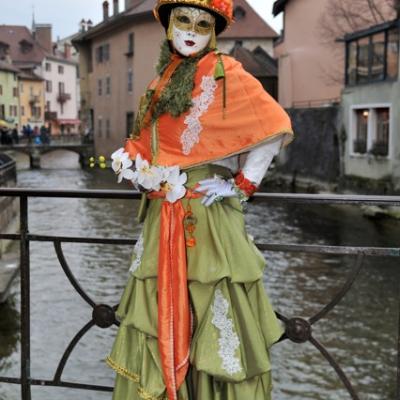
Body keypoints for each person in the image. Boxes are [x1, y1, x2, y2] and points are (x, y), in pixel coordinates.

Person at [106, 1, 294, 399]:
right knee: (160, 308)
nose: (191, 31)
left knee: (214, 302)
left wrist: (242, 184)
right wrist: (134, 167)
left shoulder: (227, 72)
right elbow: (150, 143)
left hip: (208, 216)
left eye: (202, 24)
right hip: (165, 211)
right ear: (170, 26)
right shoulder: (164, 78)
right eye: (184, 21)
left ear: (213, 32)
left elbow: (273, 125)